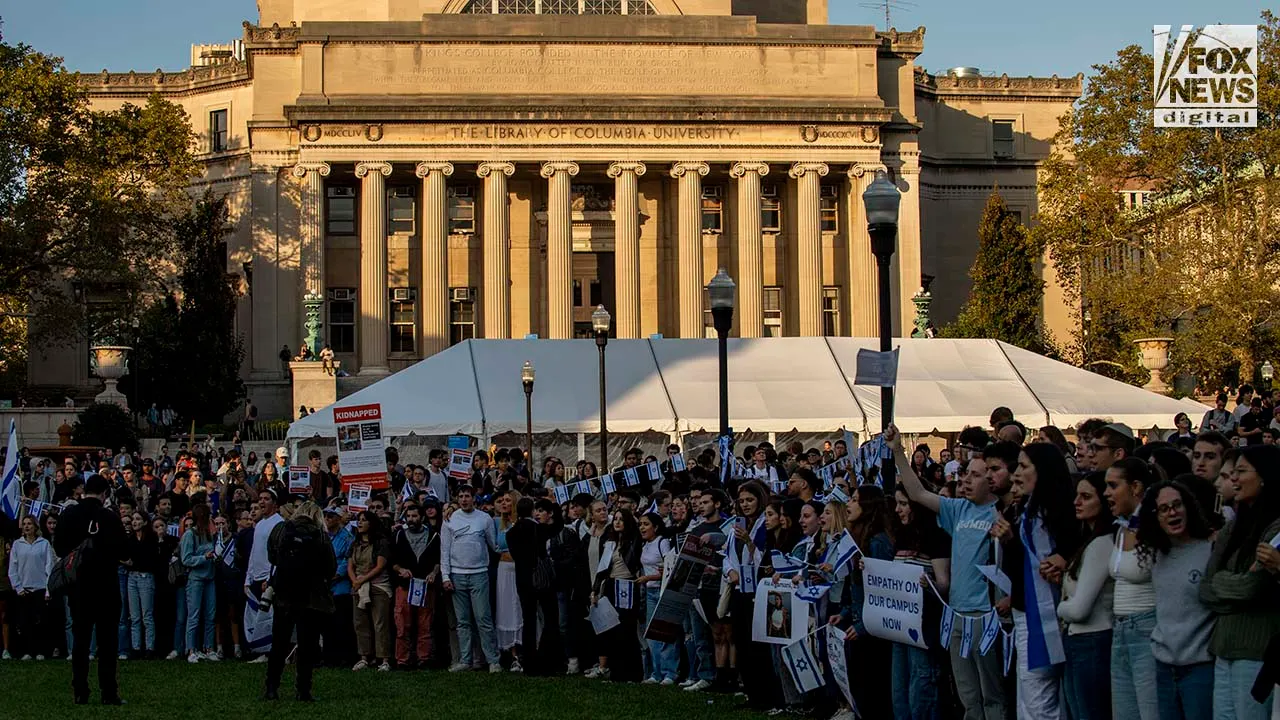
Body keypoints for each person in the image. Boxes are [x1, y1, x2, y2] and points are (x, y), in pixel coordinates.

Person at [892, 424, 1004, 720]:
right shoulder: (958, 509)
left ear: (991, 481)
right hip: (956, 614)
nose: (965, 480)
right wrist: (897, 451)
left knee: (992, 694)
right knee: (967, 694)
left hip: (985, 615)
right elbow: (916, 492)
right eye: (964, 474)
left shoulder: (1000, 513)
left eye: (975, 475)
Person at [990, 444, 1079, 719]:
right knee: (1028, 696)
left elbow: (1047, 564)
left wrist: (1013, 542)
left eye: (1025, 466)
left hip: (1047, 615)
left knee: (1039, 696)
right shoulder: (1025, 513)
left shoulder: (1061, 513)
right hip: (1025, 611)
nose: (1018, 473)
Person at [1199, 444, 1280, 719]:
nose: (1233, 479)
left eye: (1241, 471)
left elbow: (1253, 587)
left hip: (1257, 651)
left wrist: (1225, 584)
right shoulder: (1234, 527)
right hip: (1224, 648)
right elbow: (1206, 587)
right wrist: (1231, 584)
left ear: (1264, 476)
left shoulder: (1276, 527)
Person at [1135, 478, 1215, 720]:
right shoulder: (1156, 553)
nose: (1173, 513)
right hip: (1164, 667)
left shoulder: (1210, 550)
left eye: (1177, 505)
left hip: (1200, 668)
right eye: (1164, 509)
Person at [54, 474, 127, 705]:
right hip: (106, 585)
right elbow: (123, 551)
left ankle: (80, 690)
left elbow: (59, 547)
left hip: (79, 585)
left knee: (81, 640)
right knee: (107, 642)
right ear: (105, 493)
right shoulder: (109, 517)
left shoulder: (69, 514)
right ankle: (108, 692)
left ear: (85, 491)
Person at [1055, 472, 1115, 720]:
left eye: (1086, 496)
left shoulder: (1102, 544)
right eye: (1077, 495)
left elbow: (1079, 608)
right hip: (1079, 640)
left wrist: (1060, 608)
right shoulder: (1088, 541)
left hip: (1092, 640)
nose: (1077, 502)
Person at [263, 501, 336, 702]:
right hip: (311, 598)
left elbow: (272, 557)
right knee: (307, 646)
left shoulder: (281, 530)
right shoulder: (320, 534)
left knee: (279, 643)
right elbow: (331, 567)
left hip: (284, 595)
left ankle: (271, 687)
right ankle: (303, 690)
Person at [1104, 458, 1158, 720]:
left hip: (1147, 628)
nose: (1107, 494)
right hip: (1120, 629)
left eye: (1113, 486)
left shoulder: (1155, 525)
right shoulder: (1121, 528)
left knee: (1149, 711)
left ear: (1135, 487)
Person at [441, 484, 500, 673]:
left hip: (479, 573)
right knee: (463, 621)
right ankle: (465, 660)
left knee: (483, 618)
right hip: (457, 575)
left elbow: (494, 545)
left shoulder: (485, 519)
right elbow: (445, 550)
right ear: (457, 499)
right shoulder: (449, 519)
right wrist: (445, 576)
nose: (464, 499)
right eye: (461, 496)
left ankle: (492, 660)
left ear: (474, 498)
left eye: (467, 496)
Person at [390, 503, 440, 670]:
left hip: (425, 585)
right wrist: (401, 570)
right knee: (403, 625)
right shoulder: (398, 535)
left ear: (422, 517)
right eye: (409, 516)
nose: (411, 520)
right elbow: (392, 561)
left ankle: (423, 658)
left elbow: (438, 560)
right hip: (404, 585)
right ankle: (402, 659)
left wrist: (434, 573)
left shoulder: (433, 535)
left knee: (425, 624)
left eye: (414, 516)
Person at [349, 510, 392, 671]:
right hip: (359, 587)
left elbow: (380, 566)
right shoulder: (355, 544)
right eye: (358, 520)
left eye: (363, 520)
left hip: (379, 587)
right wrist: (355, 581)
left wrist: (362, 579)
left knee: (380, 623)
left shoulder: (381, 542)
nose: (359, 523)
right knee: (360, 623)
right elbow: (350, 565)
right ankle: (364, 657)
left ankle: (384, 659)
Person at [8, 514, 53, 660]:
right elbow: (13, 569)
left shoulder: (44, 543)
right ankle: (27, 651)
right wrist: (18, 587)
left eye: (30, 524)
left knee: (40, 622)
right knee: (25, 622)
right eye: (25, 524)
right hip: (24, 589)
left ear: (35, 527)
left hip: (39, 588)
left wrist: (48, 589)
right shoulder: (17, 545)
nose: (27, 526)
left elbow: (49, 567)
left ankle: (40, 651)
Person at [180, 503, 219, 663]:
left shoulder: (209, 535)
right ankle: (191, 649)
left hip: (210, 578)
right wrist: (205, 557)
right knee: (194, 615)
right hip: (195, 579)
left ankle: (208, 648)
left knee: (210, 614)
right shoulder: (190, 535)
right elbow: (186, 559)